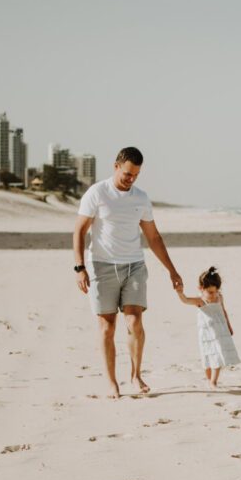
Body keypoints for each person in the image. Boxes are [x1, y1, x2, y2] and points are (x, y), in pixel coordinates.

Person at [73, 146, 183, 399]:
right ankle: (112, 382)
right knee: (107, 328)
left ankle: (136, 375)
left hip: (134, 265)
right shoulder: (97, 193)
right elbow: (79, 231)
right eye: (127, 174)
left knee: (134, 322)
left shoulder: (141, 198)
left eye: (135, 175)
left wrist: (172, 270)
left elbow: (153, 237)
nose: (130, 179)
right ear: (116, 166)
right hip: (101, 266)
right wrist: (80, 267)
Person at [174, 266, 241, 390]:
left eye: (216, 291)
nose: (214, 294)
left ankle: (213, 382)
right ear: (201, 288)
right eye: (210, 292)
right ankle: (209, 380)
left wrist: (229, 326)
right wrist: (180, 292)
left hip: (220, 332)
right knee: (207, 356)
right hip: (206, 333)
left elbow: (223, 311)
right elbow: (186, 300)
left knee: (217, 355)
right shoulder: (200, 301)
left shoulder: (219, 297)